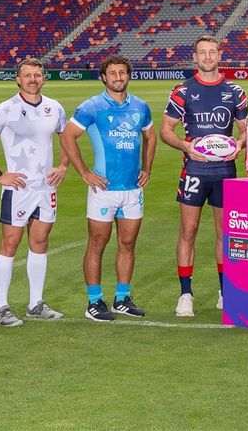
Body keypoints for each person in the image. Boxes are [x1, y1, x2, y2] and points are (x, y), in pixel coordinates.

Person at [0, 58, 71, 327]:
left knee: (40, 242)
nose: (33, 80)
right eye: (27, 75)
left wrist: (63, 165)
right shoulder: (6, 109)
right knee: (10, 243)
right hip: (18, 189)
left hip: (46, 187)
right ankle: (1, 308)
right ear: (18, 79)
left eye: (37, 75)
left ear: (43, 78)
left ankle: (35, 304)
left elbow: (67, 139)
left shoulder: (55, 107)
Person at [61, 55, 157, 322]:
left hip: (132, 190)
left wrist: (147, 169)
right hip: (103, 188)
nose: (118, 77)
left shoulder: (141, 106)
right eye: (112, 73)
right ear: (104, 77)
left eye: (122, 72)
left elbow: (151, 136)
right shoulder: (92, 106)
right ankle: (94, 302)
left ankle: (122, 299)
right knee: (97, 244)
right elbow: (68, 136)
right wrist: (84, 172)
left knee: (127, 244)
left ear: (128, 75)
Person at [160, 36, 248, 317]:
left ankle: (225, 291)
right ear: (195, 57)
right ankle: (185, 294)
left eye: (212, 52)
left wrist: (239, 145)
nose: (208, 57)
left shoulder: (235, 91)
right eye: (202, 52)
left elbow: (246, 131)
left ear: (220, 55)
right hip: (194, 171)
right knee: (188, 231)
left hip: (225, 172)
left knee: (225, 233)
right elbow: (165, 130)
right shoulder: (182, 91)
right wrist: (186, 146)